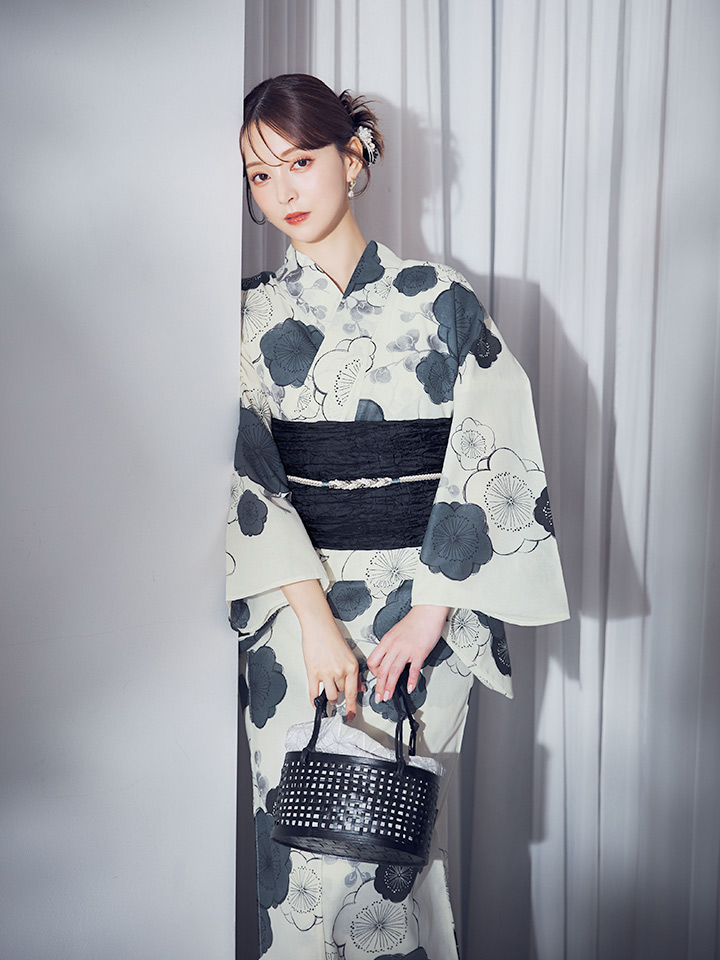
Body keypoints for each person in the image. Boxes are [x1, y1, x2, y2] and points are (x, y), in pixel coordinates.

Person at [227, 73, 568, 960]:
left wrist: (431, 612)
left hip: (423, 612)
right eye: (261, 174)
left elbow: (492, 451)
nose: (282, 190)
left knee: (395, 857)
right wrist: (314, 624)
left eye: (300, 162)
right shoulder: (247, 314)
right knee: (298, 854)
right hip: (295, 614)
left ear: (352, 159)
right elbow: (245, 472)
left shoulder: (441, 301)